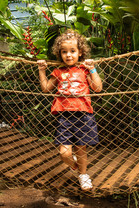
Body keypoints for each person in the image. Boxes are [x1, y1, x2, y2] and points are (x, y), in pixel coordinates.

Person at [37, 29, 102, 191]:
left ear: (80, 53)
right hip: (64, 117)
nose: (68, 55)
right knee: (64, 153)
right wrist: (42, 70)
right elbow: (46, 88)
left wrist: (93, 69)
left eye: (73, 51)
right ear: (60, 54)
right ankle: (75, 168)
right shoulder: (58, 71)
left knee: (81, 149)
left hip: (84, 115)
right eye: (64, 52)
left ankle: (83, 175)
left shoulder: (84, 69)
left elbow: (98, 88)